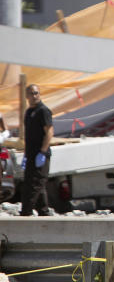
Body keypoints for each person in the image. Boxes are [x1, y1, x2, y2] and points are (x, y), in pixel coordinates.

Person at [20, 84, 53, 216]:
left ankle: (26, 212)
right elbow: (29, 134)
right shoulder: (29, 112)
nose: (34, 96)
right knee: (33, 183)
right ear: (27, 96)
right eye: (31, 94)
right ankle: (44, 211)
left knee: (34, 185)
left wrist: (43, 152)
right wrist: (25, 154)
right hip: (31, 153)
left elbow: (49, 132)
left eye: (36, 93)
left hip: (40, 154)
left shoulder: (43, 111)